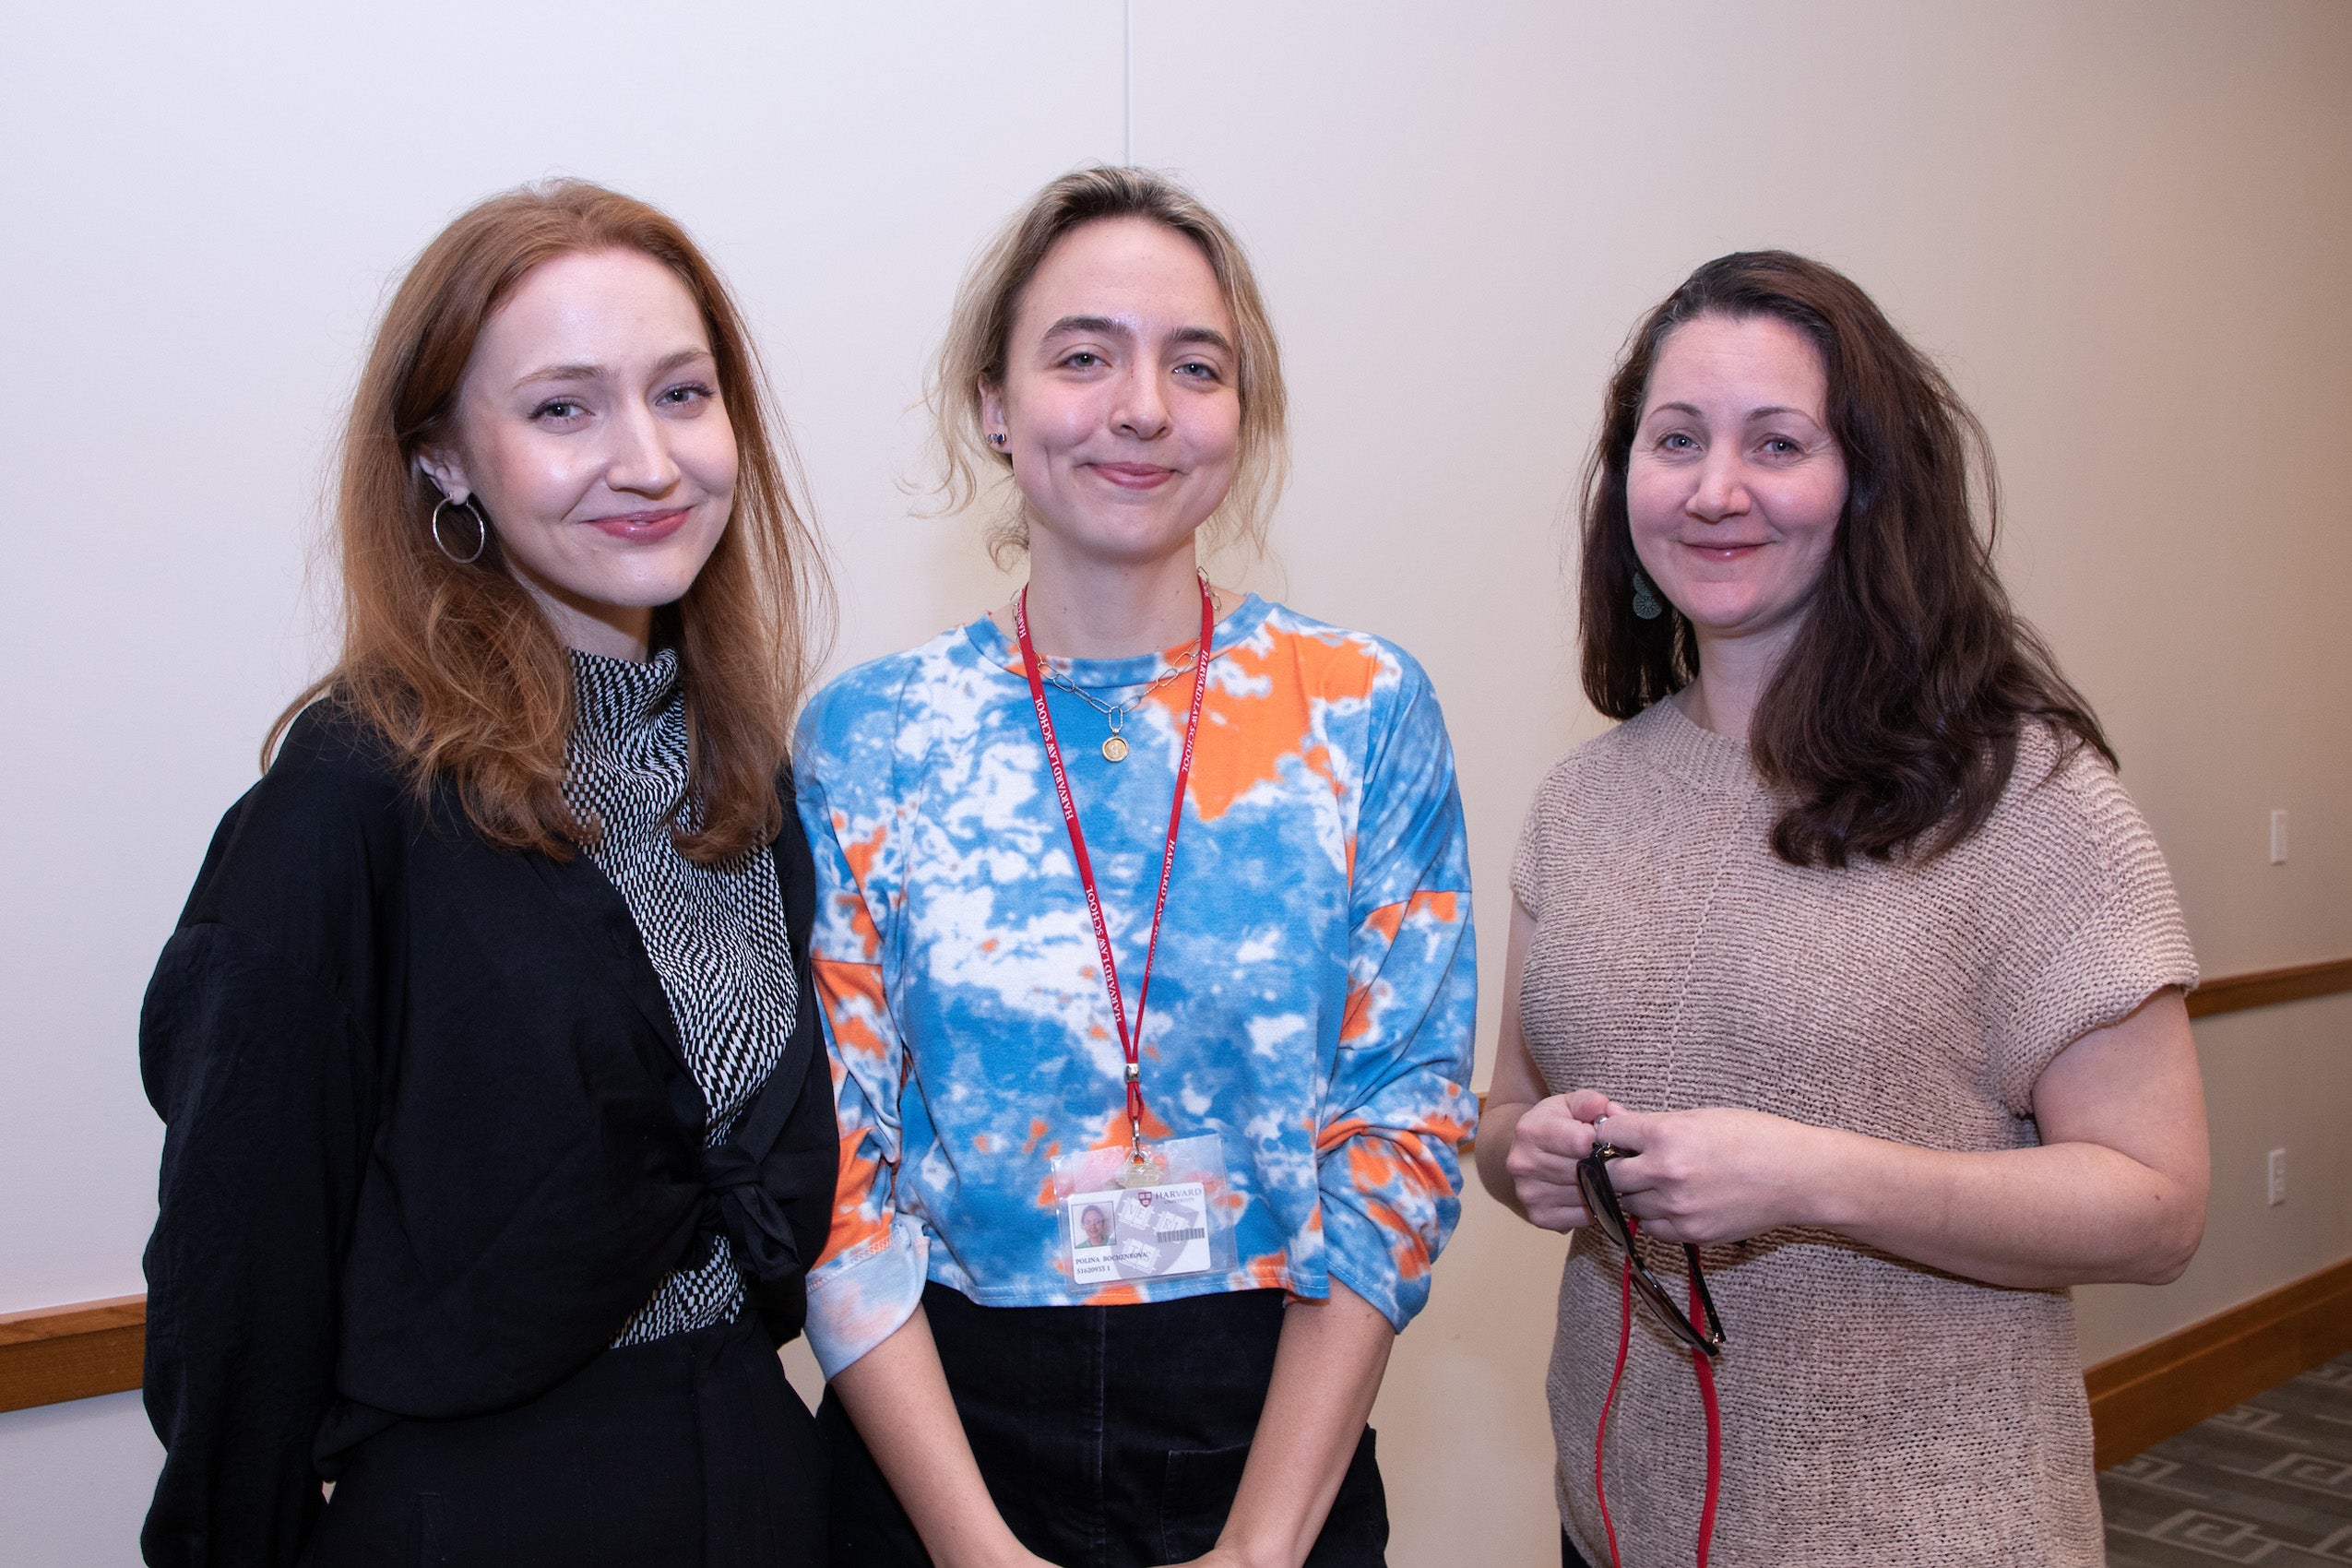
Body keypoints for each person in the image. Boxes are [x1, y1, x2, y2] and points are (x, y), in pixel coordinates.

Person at [138, 181, 837, 1567]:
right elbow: (237, 1286)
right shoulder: (349, 803)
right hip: (477, 1515)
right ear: (446, 457)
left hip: (759, 1480)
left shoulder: (744, 781)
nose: (647, 461)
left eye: (683, 394)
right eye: (563, 409)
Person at [1477, 251, 2207, 1568]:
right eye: (1675, 439)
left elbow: (2156, 1209)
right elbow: (1502, 1114)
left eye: (1777, 443)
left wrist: (1807, 1175)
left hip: (1924, 1536)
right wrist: (1516, 1153)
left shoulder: (2025, 795)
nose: (1715, 489)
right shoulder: (1576, 801)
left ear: (1866, 483)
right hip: (1613, 1525)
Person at [794, 167, 1478, 1568]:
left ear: (1246, 412)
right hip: (941, 1444)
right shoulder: (869, 736)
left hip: (1269, 1428)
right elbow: (836, 1169)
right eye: (1082, 356)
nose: (1142, 408)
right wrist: (974, 1552)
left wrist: (1264, 1547)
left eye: (1196, 365)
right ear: (993, 402)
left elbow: (1400, 1131)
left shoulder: (1360, 709)